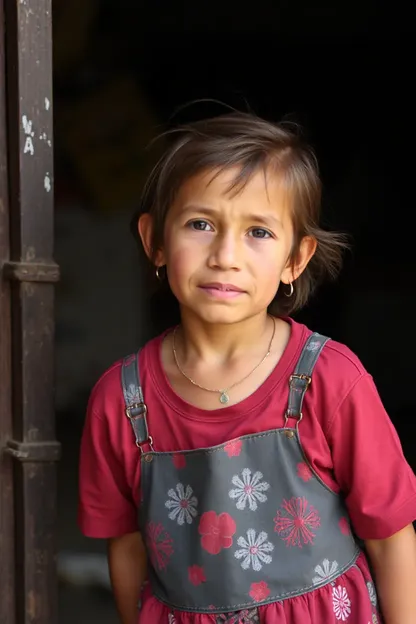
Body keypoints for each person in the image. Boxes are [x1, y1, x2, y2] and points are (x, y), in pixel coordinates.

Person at [78, 111, 416, 624]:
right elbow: (126, 546)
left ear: (294, 261)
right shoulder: (123, 400)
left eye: (258, 231)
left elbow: (390, 538)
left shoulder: (330, 380)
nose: (225, 255)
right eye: (201, 224)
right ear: (155, 242)